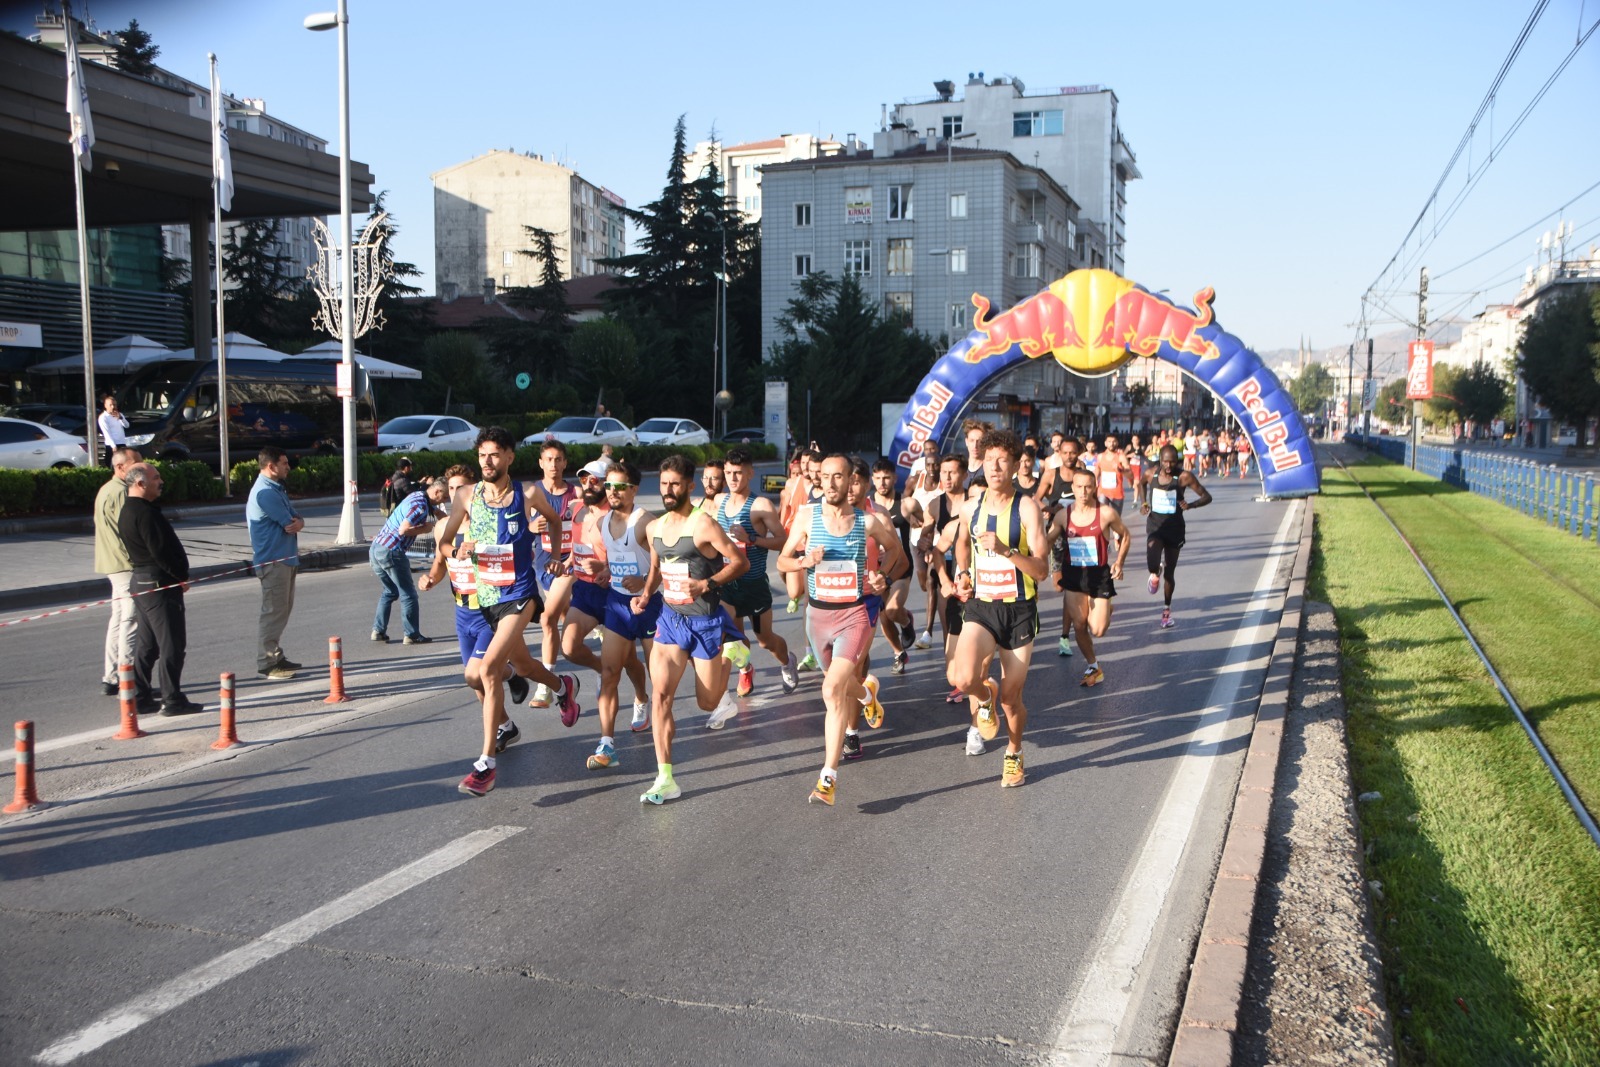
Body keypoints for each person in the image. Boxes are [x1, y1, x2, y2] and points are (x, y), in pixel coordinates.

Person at [429, 427, 580, 797]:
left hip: (520, 596)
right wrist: (457, 552)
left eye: (495, 454)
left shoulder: (526, 494)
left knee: (489, 670)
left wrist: (557, 559)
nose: (487, 462)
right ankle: (564, 687)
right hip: (486, 600)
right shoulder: (466, 496)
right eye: (482, 455)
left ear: (510, 456)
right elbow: (446, 543)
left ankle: (485, 765)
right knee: (524, 667)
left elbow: (557, 521)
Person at [777, 454, 902, 806]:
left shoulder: (868, 521)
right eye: (826, 477)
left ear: (850, 482)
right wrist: (803, 561)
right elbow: (782, 560)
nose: (830, 484)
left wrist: (883, 578)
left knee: (831, 690)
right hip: (817, 618)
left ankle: (828, 777)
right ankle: (866, 696)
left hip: (854, 617)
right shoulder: (806, 516)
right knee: (841, 685)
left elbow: (895, 551)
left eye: (838, 478)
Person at [634, 455, 748, 805]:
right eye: (663, 484)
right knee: (661, 697)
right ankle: (665, 777)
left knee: (707, 702)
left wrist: (708, 583)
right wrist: (644, 595)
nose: (668, 490)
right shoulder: (655, 528)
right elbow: (656, 568)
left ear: (689, 486)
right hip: (670, 621)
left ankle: (732, 653)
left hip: (705, 621)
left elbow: (739, 562)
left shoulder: (704, 525)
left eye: (675, 484)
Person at [945, 430, 1049, 786]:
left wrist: (1006, 551)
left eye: (1002, 460)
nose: (994, 466)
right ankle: (982, 697)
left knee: (1011, 698)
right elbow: (961, 544)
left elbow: (1042, 570)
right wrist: (961, 573)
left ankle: (1014, 752)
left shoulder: (1027, 508)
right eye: (989, 459)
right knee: (963, 678)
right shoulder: (971, 508)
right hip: (983, 606)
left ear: (1016, 463)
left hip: (1019, 610)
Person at [418, 464, 532, 745]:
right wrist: (431, 578)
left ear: (473, 491)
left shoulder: (490, 524)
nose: (455, 494)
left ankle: (512, 674)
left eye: (461, 489)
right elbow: (440, 563)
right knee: (477, 681)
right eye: (451, 489)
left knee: (474, 674)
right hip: (462, 611)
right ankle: (505, 724)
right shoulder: (443, 527)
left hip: (489, 609)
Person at [119, 463, 204, 716]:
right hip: (158, 583)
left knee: (149, 644)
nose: (161, 481)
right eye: (156, 478)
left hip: (143, 581)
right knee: (172, 643)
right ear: (140, 483)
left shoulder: (130, 510)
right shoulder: (144, 513)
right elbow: (160, 552)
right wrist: (180, 576)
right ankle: (172, 699)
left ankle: (141, 696)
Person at [714, 446, 799, 697]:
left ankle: (787, 662)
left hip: (754, 585)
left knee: (765, 640)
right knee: (732, 637)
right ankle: (744, 669)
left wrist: (751, 538)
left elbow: (783, 541)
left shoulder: (760, 505)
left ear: (750, 473)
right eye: (728, 472)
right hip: (728, 584)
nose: (732, 478)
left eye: (738, 473)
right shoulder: (719, 501)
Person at [594, 459, 663, 765]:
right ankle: (606, 744)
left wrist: (645, 585)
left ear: (634, 490)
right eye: (608, 486)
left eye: (620, 487)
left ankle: (662, 737)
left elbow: (665, 566)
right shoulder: (602, 523)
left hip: (650, 607)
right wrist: (606, 570)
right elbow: (618, 558)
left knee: (659, 677)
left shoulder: (646, 522)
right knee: (609, 672)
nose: (613, 492)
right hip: (618, 605)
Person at [1046, 467, 1131, 687]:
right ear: (1073, 488)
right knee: (1080, 624)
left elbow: (1125, 534)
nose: (1083, 491)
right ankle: (1093, 665)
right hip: (1073, 575)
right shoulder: (1064, 515)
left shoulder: (1106, 513)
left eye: (1088, 487)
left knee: (1098, 630)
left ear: (1095, 488)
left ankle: (1106, 607)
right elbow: (1047, 540)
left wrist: (1119, 562)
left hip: (1098, 575)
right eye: (1079, 487)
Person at [529, 440, 581, 707]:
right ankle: (588, 617)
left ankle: (545, 683)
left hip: (569, 562)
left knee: (547, 618)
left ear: (565, 463)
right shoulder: (532, 493)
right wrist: (530, 526)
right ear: (541, 463)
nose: (553, 464)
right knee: (563, 612)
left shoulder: (576, 493)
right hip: (543, 563)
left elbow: (585, 530)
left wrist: (572, 558)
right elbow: (518, 528)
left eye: (558, 459)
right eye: (548, 459)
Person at [1139, 444, 1213, 629]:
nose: (1169, 465)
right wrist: (1144, 502)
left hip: (1175, 530)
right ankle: (1155, 572)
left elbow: (1207, 496)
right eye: (1165, 461)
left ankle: (1166, 612)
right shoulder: (1150, 473)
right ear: (1160, 460)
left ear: (1177, 461)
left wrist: (1191, 505)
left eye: (1172, 461)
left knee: (1170, 573)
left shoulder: (1184, 477)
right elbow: (1141, 484)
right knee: (1152, 564)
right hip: (1155, 527)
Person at [247, 446, 305, 680]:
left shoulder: (275, 488)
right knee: (273, 612)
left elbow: (297, 519)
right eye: (284, 463)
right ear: (271, 466)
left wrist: (299, 522)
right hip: (273, 561)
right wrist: (297, 522)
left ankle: (276, 655)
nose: (288, 467)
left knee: (282, 610)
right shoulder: (265, 493)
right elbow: (289, 521)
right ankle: (266, 663)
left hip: (284, 559)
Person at [370, 476, 448, 645]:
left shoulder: (418, 496)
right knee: (409, 595)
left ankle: (378, 630)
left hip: (377, 548)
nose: (446, 500)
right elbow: (404, 530)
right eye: (446, 496)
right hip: (392, 551)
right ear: (437, 492)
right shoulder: (420, 505)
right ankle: (411, 634)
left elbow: (436, 513)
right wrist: (424, 528)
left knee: (390, 591)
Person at [94, 446, 141, 696]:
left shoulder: (107, 489)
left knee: (119, 619)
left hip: (112, 563)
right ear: (121, 467)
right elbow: (129, 533)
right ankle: (125, 674)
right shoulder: (123, 492)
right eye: (136, 463)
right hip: (125, 564)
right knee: (130, 620)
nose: (140, 467)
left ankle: (112, 675)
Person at [870, 457, 917, 673]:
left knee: (892, 609)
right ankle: (899, 652)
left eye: (887, 478)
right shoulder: (868, 506)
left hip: (901, 567)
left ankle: (906, 622)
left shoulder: (904, 504)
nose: (882, 483)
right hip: (876, 568)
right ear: (872, 479)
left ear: (895, 478)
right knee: (883, 616)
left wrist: (924, 536)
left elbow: (927, 522)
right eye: (878, 478)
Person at [96, 395, 128, 468]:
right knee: (111, 464)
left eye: (114, 405)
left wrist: (120, 418)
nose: (113, 407)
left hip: (121, 442)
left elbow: (127, 425)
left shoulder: (119, 415)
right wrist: (113, 446)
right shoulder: (103, 417)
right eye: (110, 405)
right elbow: (107, 433)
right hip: (111, 445)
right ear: (105, 405)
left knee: (123, 463)